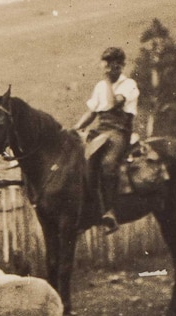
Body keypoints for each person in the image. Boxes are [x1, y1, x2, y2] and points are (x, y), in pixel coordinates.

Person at [73, 47, 140, 234]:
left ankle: (110, 212)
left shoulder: (129, 85)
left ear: (122, 65)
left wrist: (108, 82)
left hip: (119, 130)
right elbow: (92, 111)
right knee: (83, 158)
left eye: (115, 63)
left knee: (109, 164)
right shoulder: (100, 86)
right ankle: (88, 208)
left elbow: (112, 103)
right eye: (108, 63)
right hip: (101, 129)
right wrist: (75, 128)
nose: (111, 67)